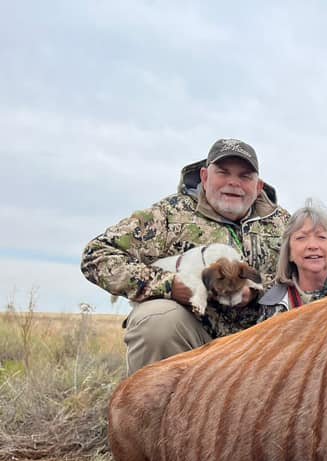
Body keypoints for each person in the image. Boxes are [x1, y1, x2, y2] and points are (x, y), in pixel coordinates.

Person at [81, 139, 290, 374]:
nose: (233, 183)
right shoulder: (169, 215)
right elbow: (96, 255)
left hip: (263, 341)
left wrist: (255, 291)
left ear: (258, 185)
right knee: (158, 322)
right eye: (223, 172)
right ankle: (155, 407)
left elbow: (309, 275)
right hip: (194, 339)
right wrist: (171, 285)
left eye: (245, 176)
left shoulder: (283, 224)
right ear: (204, 176)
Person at [258, 200, 327, 321]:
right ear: (289, 253)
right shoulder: (271, 302)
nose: (312, 246)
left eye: (321, 237)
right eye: (301, 238)